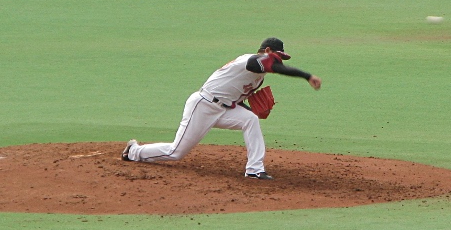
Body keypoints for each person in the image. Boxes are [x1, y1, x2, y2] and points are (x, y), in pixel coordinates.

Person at [121, 37, 322, 180]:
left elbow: (234, 97)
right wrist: (307, 76)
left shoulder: (258, 75)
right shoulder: (252, 60)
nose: (279, 62)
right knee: (176, 152)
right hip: (203, 105)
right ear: (267, 51)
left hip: (223, 109)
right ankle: (134, 151)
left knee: (250, 119)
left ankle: (254, 169)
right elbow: (277, 67)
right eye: (278, 57)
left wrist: (247, 107)